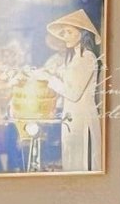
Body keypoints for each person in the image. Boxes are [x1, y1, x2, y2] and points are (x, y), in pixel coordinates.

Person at [41, 9, 103, 172]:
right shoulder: (73, 59)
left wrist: (50, 79)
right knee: (71, 160)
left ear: (82, 34)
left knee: (82, 162)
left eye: (69, 32)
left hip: (83, 118)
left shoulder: (87, 57)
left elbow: (73, 93)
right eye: (64, 33)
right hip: (71, 117)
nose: (65, 36)